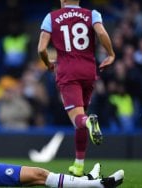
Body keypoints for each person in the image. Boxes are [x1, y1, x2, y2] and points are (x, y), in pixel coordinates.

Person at [37, 0, 115, 176]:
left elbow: (41, 48)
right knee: (81, 116)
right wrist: (110, 54)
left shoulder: (51, 17)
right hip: (89, 71)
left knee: (79, 119)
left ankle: (89, 122)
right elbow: (101, 32)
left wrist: (47, 63)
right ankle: (78, 165)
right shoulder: (92, 14)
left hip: (68, 72)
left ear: (62, 0)